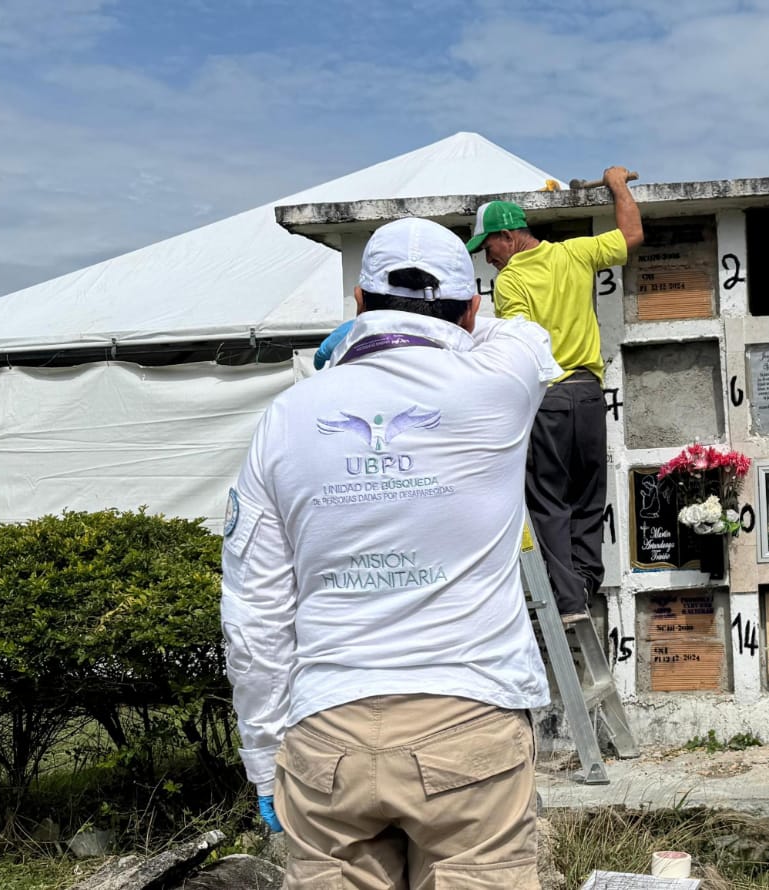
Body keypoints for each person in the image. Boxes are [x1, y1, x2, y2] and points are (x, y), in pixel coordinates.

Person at [222, 217, 561, 890]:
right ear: (469, 309)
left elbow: (254, 613)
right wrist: (452, 325)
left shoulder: (287, 419)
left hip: (327, 732)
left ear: (355, 305)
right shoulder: (496, 385)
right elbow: (527, 334)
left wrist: (264, 757)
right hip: (470, 721)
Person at [467, 166, 644, 617]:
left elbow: (522, 344)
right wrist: (617, 182)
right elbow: (631, 235)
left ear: (507, 236)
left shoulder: (510, 281)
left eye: (487, 247)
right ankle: (586, 583)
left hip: (548, 399)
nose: (487, 258)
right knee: (588, 496)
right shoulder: (576, 254)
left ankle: (568, 602)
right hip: (589, 397)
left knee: (548, 501)